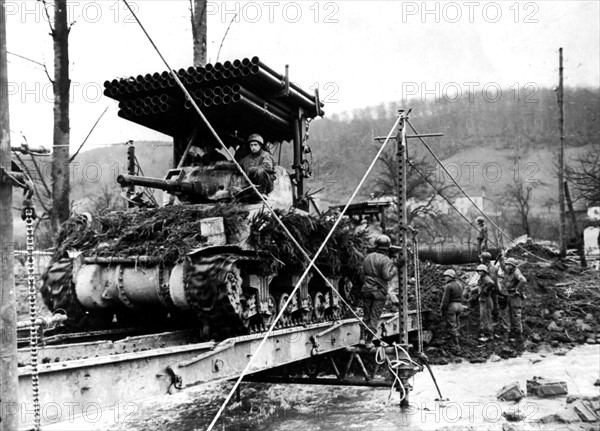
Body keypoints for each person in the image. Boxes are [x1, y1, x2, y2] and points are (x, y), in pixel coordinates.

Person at [359, 234, 398, 349]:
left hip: (366, 289)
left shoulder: (368, 257)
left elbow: (362, 275)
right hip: (379, 291)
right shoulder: (386, 260)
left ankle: (361, 338)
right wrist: (394, 271)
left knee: (366, 315)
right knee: (374, 317)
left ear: (376, 246)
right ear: (387, 248)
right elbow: (386, 277)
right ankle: (368, 341)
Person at [500, 256, 527, 345]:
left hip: (515, 297)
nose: (507, 266)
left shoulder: (516, 272)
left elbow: (523, 280)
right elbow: (503, 266)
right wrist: (501, 258)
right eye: (507, 264)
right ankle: (509, 333)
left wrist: (517, 290)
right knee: (507, 314)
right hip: (509, 295)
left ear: (513, 266)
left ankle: (519, 335)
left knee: (516, 315)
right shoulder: (509, 271)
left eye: (509, 265)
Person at [440, 269, 463, 347]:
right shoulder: (460, 284)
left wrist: (442, 309)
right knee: (457, 324)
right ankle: (456, 341)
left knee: (452, 326)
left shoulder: (448, 286)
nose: (445, 278)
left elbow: (445, 300)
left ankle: (456, 345)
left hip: (452, 306)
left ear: (451, 277)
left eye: (447, 276)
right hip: (459, 306)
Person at [476, 264, 495, 341]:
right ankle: (485, 333)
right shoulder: (482, 278)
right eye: (479, 271)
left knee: (486, 317)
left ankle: (488, 335)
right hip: (482, 299)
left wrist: (486, 291)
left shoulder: (486, 278)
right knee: (483, 317)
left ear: (485, 272)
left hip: (486, 300)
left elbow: (492, 283)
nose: (480, 272)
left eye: (481, 271)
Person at [480, 252, 501, 324]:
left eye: (481, 258)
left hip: (492, 288)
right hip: (489, 287)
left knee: (494, 303)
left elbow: (492, 280)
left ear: (484, 259)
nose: (480, 259)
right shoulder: (486, 266)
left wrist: (486, 290)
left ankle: (495, 319)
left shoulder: (492, 268)